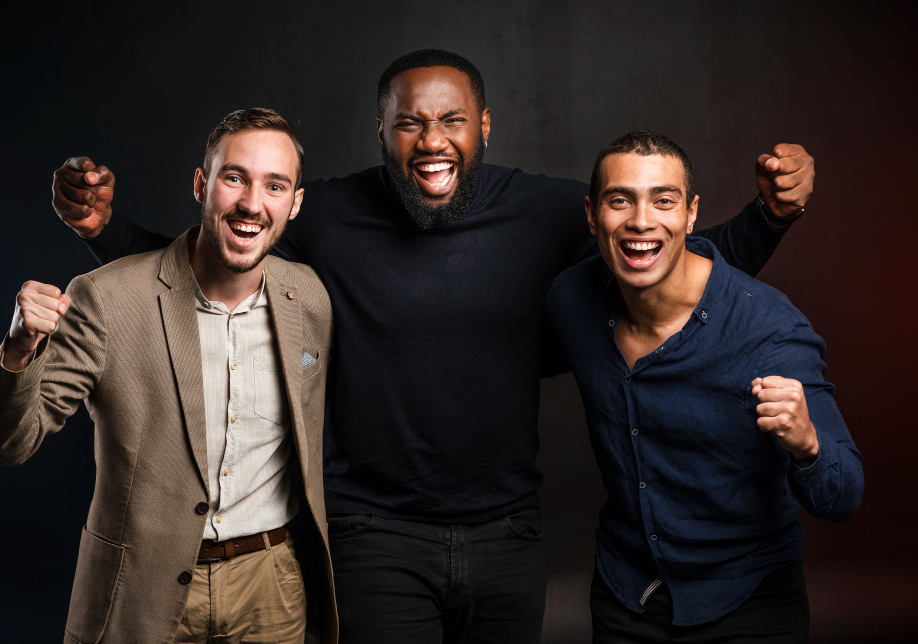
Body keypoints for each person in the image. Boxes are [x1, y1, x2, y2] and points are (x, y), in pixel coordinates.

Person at [49, 50, 815, 643]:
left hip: (508, 533)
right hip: (373, 532)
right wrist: (104, 230)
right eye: (410, 122)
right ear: (383, 131)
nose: (433, 139)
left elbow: (673, 264)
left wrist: (770, 216)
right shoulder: (329, 213)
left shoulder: (549, 211)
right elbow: (208, 266)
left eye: (452, 120)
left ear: (485, 126)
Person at [0, 108, 338, 644]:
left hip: (271, 585)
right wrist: (20, 347)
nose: (251, 203)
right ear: (201, 185)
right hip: (139, 586)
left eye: (275, 186)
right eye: (234, 178)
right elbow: (3, 445)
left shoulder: (307, 298)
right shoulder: (107, 298)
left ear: (295, 203)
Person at [545, 130, 863, 642]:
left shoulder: (768, 330)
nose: (641, 220)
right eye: (620, 200)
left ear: (690, 214)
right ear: (591, 214)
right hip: (627, 596)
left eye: (663, 200)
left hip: (748, 603)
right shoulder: (571, 301)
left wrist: (807, 445)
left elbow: (844, 496)